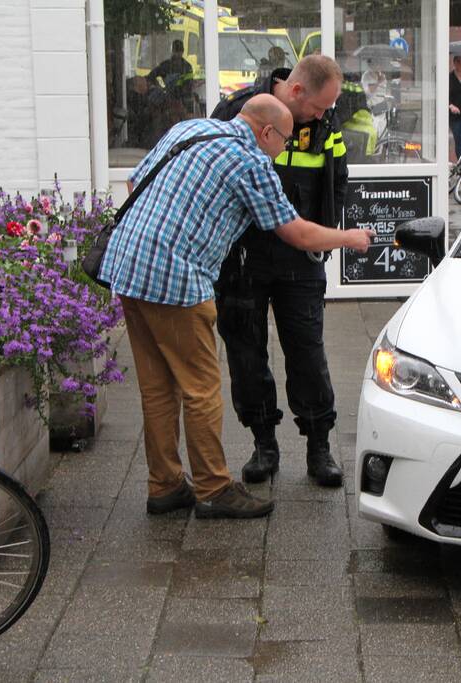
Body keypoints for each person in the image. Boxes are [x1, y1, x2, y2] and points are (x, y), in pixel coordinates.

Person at [98, 94, 374, 519]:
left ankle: (165, 485)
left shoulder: (189, 129)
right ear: (265, 132)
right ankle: (213, 488)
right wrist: (349, 238)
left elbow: (137, 182)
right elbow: (296, 233)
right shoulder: (252, 163)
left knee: (157, 388)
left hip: (127, 266)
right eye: (284, 140)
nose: (285, 149)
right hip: (175, 281)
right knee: (201, 389)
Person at [211, 55, 353, 489]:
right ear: (295, 91)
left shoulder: (326, 127)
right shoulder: (238, 111)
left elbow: (339, 184)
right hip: (242, 261)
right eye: (318, 106)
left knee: (308, 354)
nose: (323, 114)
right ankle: (263, 444)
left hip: (300, 261)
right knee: (246, 354)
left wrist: (327, 237)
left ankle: (319, 446)